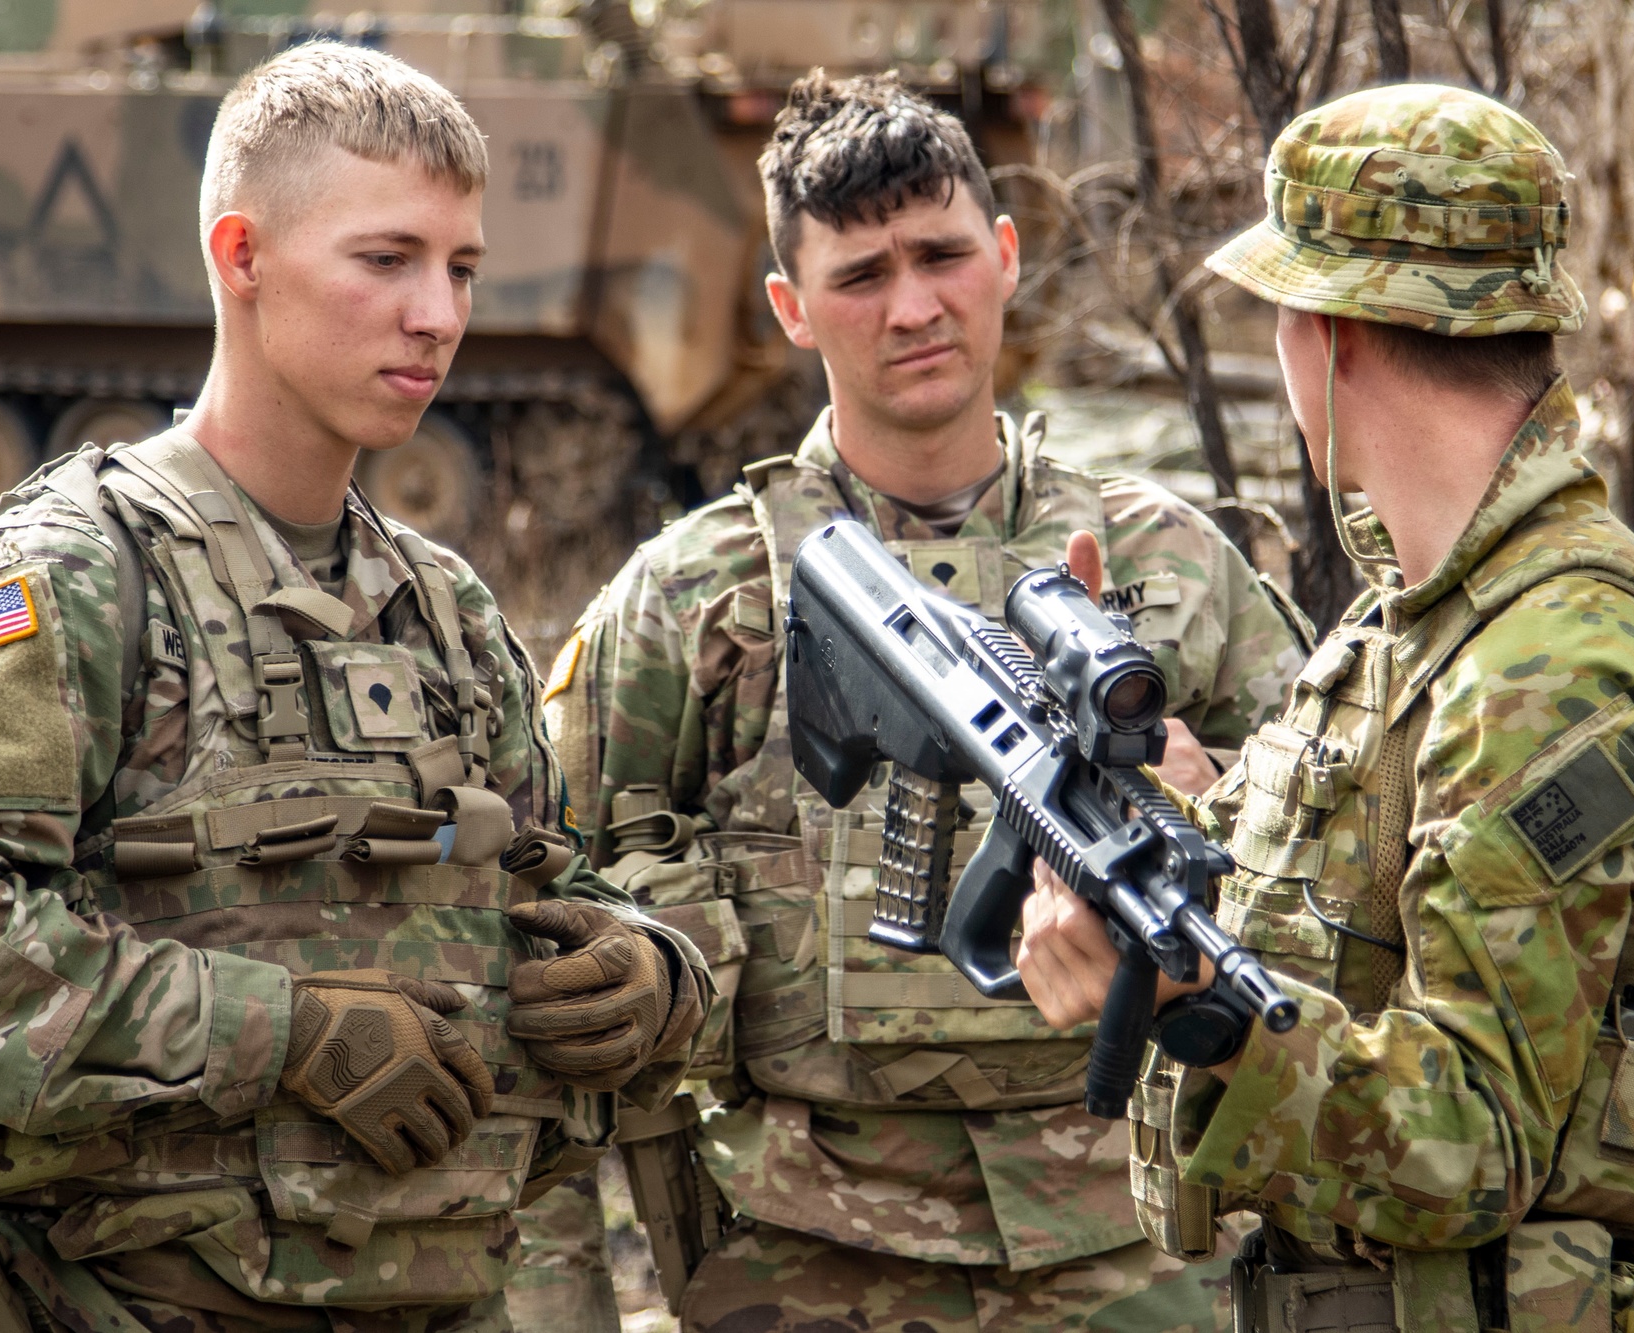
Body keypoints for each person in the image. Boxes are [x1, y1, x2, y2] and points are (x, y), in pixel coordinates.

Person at [0, 42, 705, 1333]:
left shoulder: (445, 608)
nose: (439, 314)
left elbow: (544, 886)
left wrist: (646, 969)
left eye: (462, 268)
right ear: (241, 255)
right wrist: (281, 1032)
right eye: (388, 259)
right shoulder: (71, 578)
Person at [1015, 84, 1634, 1333]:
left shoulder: (1550, 666)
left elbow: (1472, 1141)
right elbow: (1353, 926)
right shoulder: (1424, 619)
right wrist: (1140, 804)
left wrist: (1197, 1006)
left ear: (1332, 336)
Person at [539, 71, 1310, 1333]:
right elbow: (546, 927)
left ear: (1005, 255)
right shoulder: (694, 598)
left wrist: (1216, 801)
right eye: (860, 276)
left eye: (942, 256)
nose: (913, 307)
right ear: (790, 308)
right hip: (806, 1253)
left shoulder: (1174, 563)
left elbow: (1333, 892)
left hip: (1134, 1248)